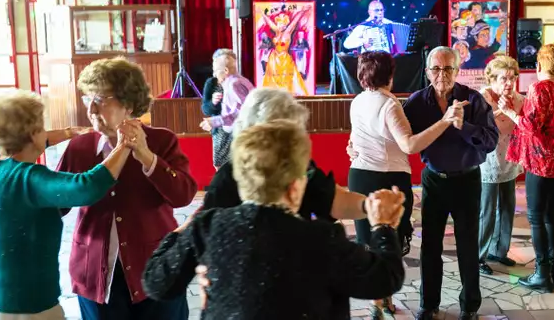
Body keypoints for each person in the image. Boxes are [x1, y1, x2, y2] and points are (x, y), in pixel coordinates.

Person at [142, 120, 406, 319]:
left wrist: (181, 232)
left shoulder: (208, 227)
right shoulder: (320, 238)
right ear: (294, 186)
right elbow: (383, 279)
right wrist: (383, 227)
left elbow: (156, 283)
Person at [353, 46, 497, 320]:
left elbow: (490, 142)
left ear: (457, 70)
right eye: (436, 69)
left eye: (448, 68)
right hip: (433, 181)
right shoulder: (417, 102)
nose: (442, 74)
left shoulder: (473, 100)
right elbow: (394, 137)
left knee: (468, 247)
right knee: (430, 246)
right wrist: (355, 145)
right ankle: (429, 305)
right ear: (428, 72)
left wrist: (463, 126)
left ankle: (469, 307)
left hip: (467, 180)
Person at [57, 57, 198, 320]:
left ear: (129, 104)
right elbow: (57, 204)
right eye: (88, 99)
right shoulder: (81, 147)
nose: (91, 108)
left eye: (101, 99)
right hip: (95, 270)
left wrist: (145, 155)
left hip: (155, 267)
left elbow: (183, 195)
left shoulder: (161, 140)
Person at [0, 91, 132, 320]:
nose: (45, 132)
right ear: (30, 134)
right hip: (24, 303)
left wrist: (69, 133)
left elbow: (27, 140)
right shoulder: (29, 178)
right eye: (41, 126)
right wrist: (124, 145)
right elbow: (86, 186)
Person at [203, 87, 368, 224]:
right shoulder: (227, 179)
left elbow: (332, 200)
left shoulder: (298, 164)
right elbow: (204, 232)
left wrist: (371, 206)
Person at [499, 44, 554, 292]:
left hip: (542, 161)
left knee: (535, 217)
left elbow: (531, 126)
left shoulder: (539, 87)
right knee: (549, 215)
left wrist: (509, 112)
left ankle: (542, 274)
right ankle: (551, 272)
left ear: (539, 65)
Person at [477, 56, 525, 276]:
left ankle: (499, 250)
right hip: (487, 161)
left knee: (507, 208)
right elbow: (481, 126)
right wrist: (502, 111)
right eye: (504, 78)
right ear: (492, 78)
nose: (509, 83)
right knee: (487, 211)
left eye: (513, 77)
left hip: (509, 158)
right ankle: (478, 256)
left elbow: (522, 126)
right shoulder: (483, 97)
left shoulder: (518, 98)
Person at [199, 50, 254, 168]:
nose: (214, 74)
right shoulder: (242, 80)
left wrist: (215, 121)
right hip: (236, 131)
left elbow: (243, 112)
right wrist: (213, 103)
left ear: (225, 71)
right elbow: (205, 107)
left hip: (238, 132)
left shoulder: (234, 84)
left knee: (227, 168)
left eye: (216, 71)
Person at [257, 5, 312, 95]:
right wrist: (262, 13)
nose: (281, 26)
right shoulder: (276, 31)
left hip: (285, 58)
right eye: (279, 24)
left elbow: (295, 21)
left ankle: (286, 96)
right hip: (274, 58)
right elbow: (269, 22)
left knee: (287, 78)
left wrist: (302, 11)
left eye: (283, 25)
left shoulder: (288, 32)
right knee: (273, 79)